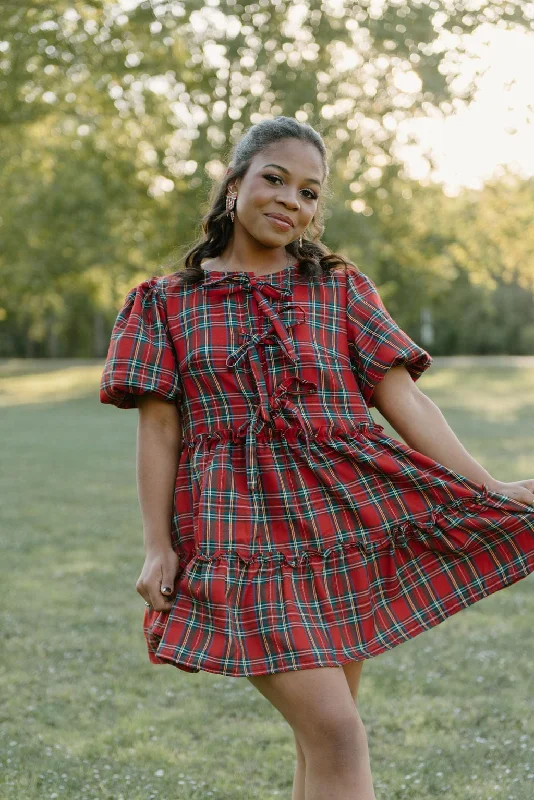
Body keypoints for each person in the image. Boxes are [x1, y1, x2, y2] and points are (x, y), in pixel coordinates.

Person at [99, 115, 534, 800]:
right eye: (274, 179)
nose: (290, 201)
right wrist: (158, 546)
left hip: (346, 524)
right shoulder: (165, 303)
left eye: (309, 192)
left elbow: (406, 402)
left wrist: (487, 488)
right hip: (238, 535)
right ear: (234, 185)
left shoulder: (338, 287)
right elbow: (159, 432)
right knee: (336, 734)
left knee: (323, 741)